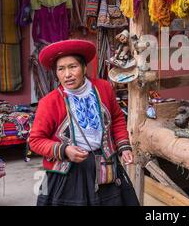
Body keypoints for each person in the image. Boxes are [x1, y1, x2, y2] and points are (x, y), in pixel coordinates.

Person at [29, 39, 139, 206]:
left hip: (105, 166)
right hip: (68, 172)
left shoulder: (103, 88)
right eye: (61, 69)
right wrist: (64, 150)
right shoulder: (49, 102)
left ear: (84, 68)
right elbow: (35, 141)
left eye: (73, 67)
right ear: (56, 73)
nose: (67, 74)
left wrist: (124, 147)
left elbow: (116, 118)